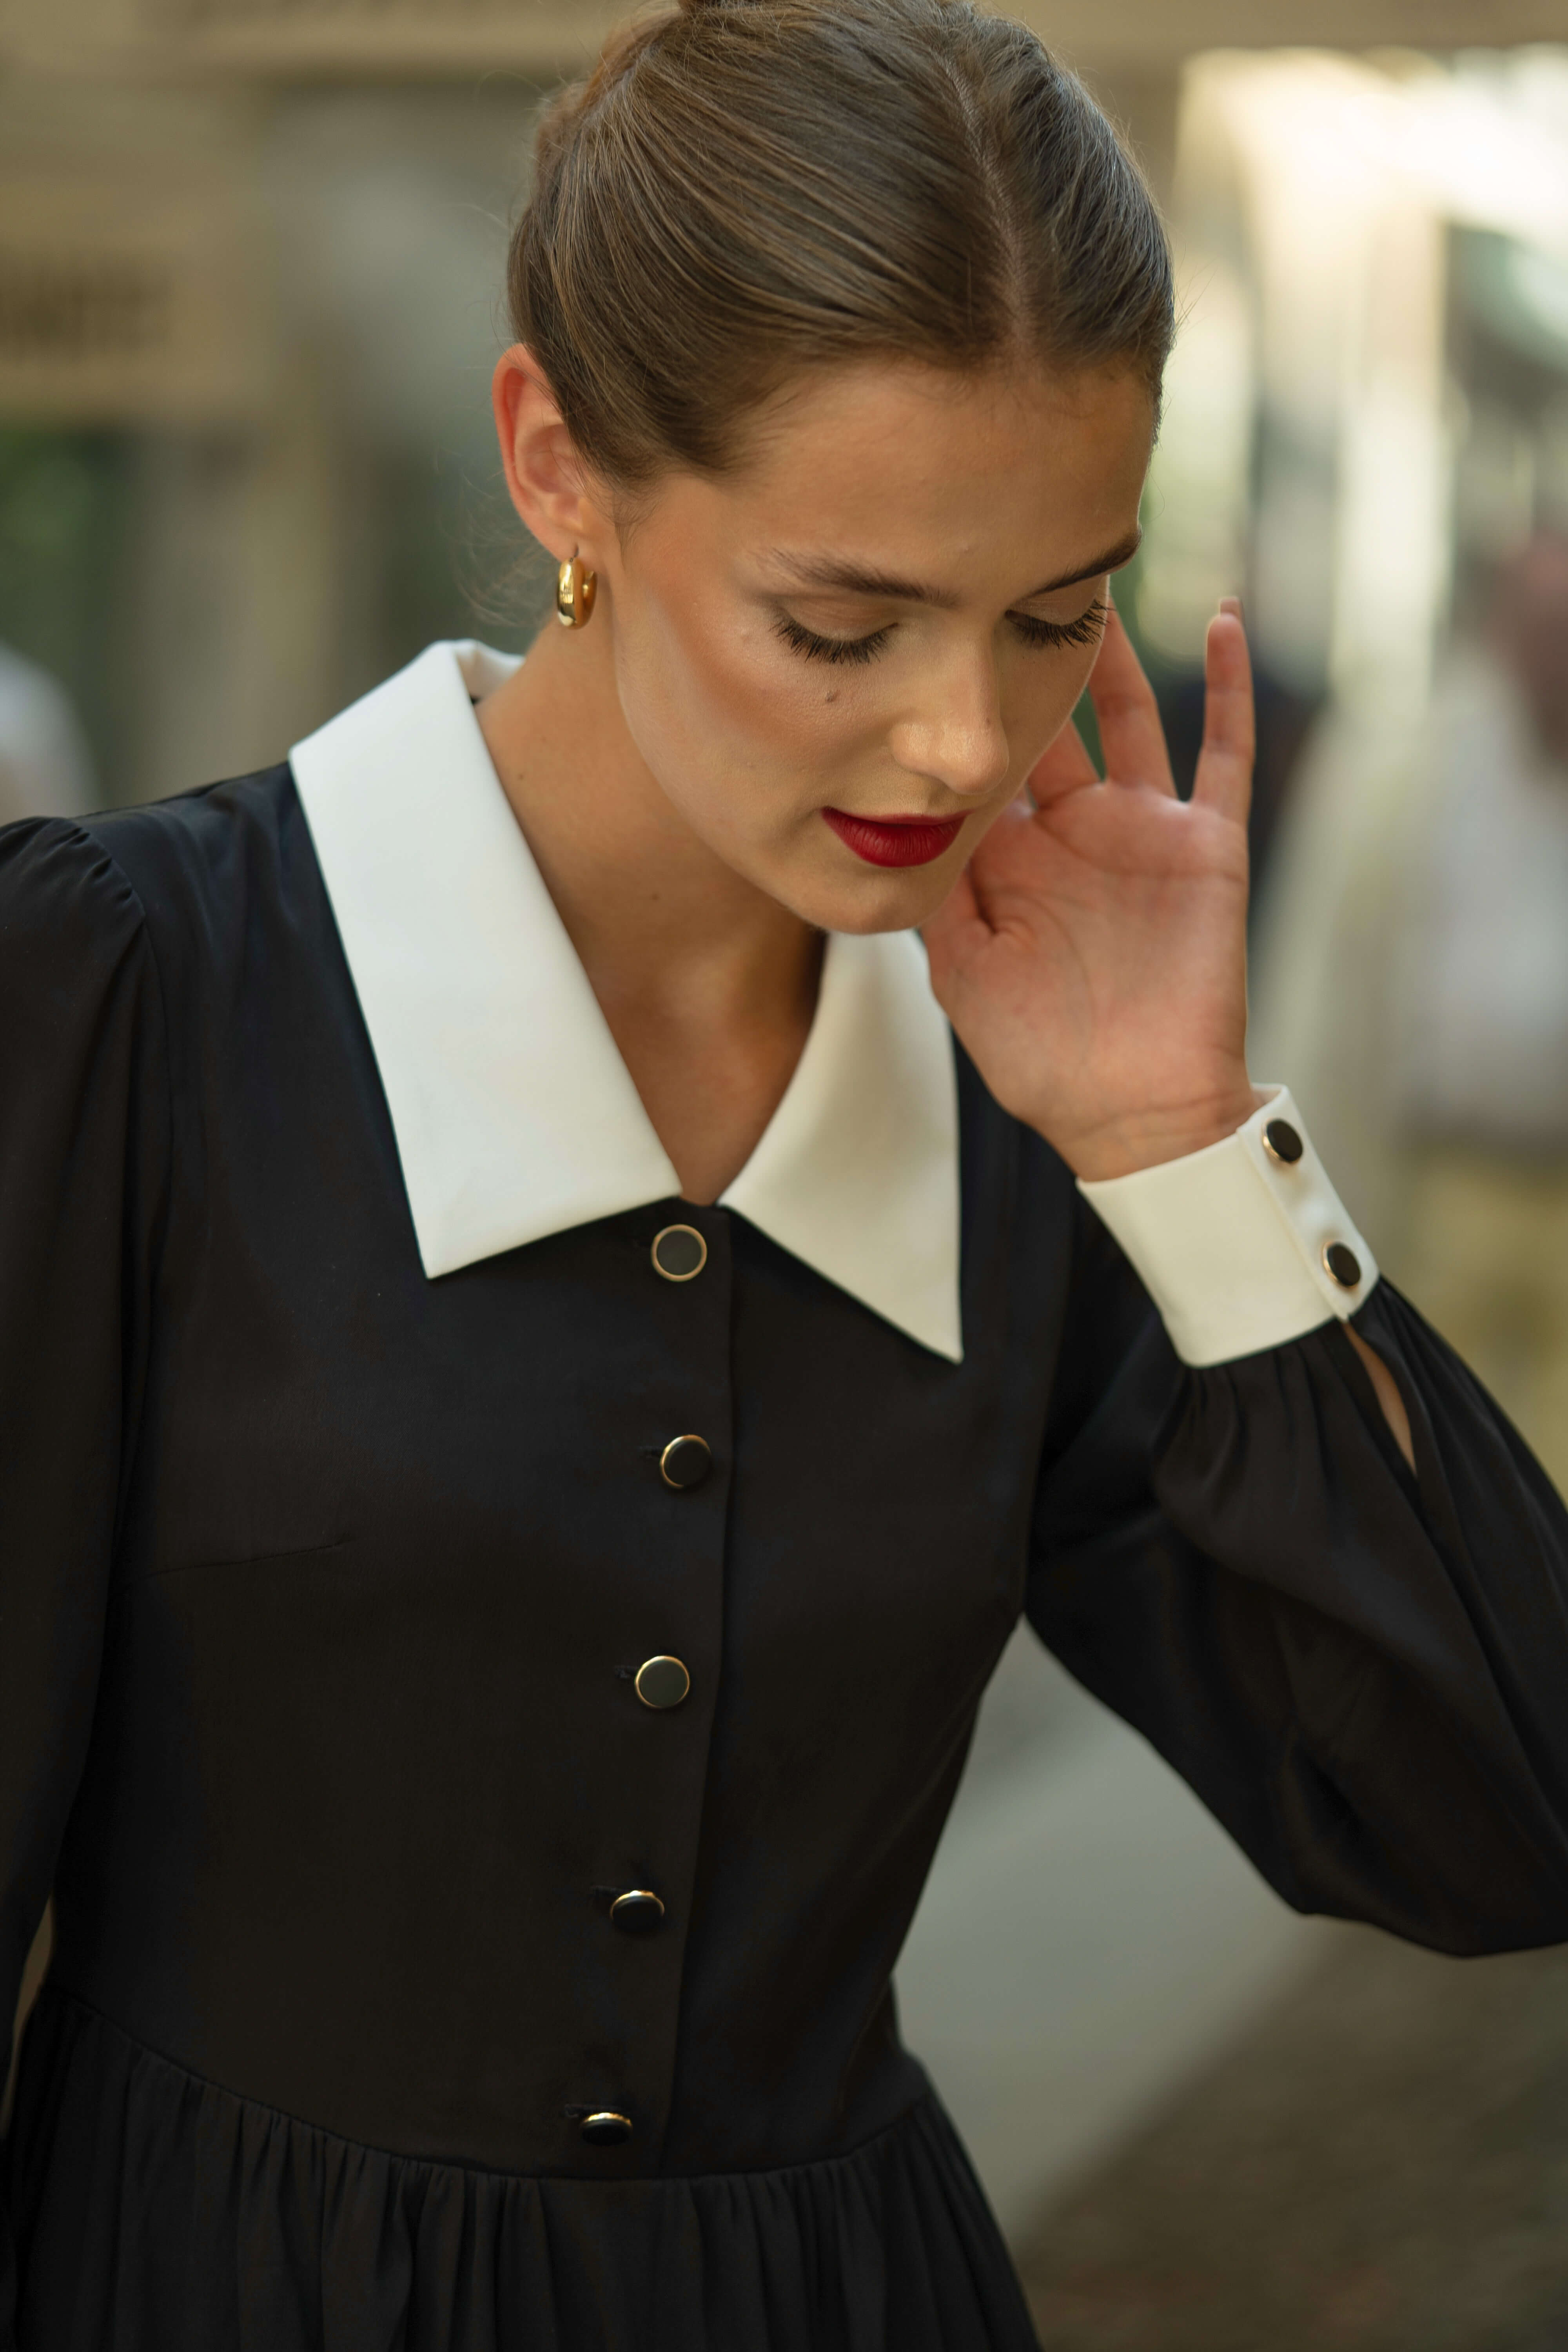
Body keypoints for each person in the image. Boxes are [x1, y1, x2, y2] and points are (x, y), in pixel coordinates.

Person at [2, 4, 1566, 2347]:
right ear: (558, 466)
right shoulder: (130, 996)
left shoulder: (1026, 1113)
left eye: (1059, 615)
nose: (960, 741)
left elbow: (1493, 1824)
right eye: (845, 625)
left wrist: (1182, 1148)